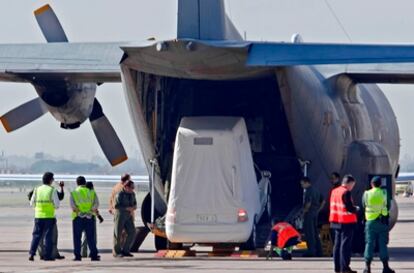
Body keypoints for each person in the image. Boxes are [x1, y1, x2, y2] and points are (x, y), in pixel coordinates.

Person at [362, 176, 395, 273]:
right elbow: (388, 205)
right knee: (383, 244)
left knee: (369, 243)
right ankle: (385, 267)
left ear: (371, 184)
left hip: (370, 222)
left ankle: (367, 268)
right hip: (382, 222)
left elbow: (364, 205)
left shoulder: (366, 194)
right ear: (380, 184)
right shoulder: (384, 193)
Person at [27, 180, 65, 260]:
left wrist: (37, 208)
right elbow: (58, 202)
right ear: (51, 180)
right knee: (50, 237)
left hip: (38, 217)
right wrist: (61, 187)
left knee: (37, 237)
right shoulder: (52, 190)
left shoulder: (37, 189)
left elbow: (31, 202)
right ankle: (49, 256)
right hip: (49, 217)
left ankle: (32, 254)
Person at [329, 175, 359, 273]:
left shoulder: (334, 191)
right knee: (345, 245)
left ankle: (337, 267)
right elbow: (349, 208)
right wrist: (356, 209)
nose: (352, 187)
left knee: (337, 245)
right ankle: (345, 268)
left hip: (335, 220)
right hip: (346, 221)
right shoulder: (346, 192)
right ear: (349, 183)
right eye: (352, 185)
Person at [70, 176, 100, 261]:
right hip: (89, 217)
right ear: (84, 182)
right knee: (90, 237)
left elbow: (72, 206)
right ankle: (94, 255)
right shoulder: (91, 192)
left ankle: (77, 256)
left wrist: (79, 212)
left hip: (77, 217)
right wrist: (90, 211)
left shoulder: (74, 192)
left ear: (77, 183)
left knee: (77, 237)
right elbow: (96, 204)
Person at [301, 176, 325, 257]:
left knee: (309, 232)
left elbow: (308, 203)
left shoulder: (309, 191)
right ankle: (319, 251)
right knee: (315, 232)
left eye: (302, 184)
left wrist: (304, 212)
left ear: (306, 182)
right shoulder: (316, 190)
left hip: (309, 214)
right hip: (315, 213)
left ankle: (311, 251)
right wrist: (318, 210)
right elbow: (323, 201)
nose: (302, 186)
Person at [113, 180, 137, 258]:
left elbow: (135, 203)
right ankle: (117, 252)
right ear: (126, 187)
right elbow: (116, 206)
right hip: (120, 215)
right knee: (118, 234)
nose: (133, 189)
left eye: (133, 187)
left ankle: (126, 250)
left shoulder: (132, 194)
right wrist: (126, 208)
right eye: (131, 187)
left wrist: (134, 207)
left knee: (132, 232)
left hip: (128, 216)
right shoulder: (120, 194)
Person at [81, 181, 104, 258]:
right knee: (92, 237)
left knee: (85, 236)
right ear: (92, 187)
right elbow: (95, 206)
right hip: (90, 217)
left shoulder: (81, 194)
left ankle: (83, 252)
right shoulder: (92, 194)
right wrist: (98, 216)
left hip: (82, 217)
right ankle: (92, 252)